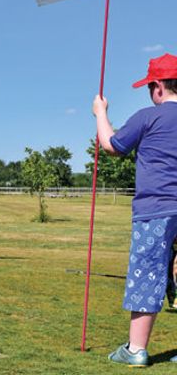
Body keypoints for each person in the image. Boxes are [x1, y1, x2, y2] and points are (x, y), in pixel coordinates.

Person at [93, 53, 177, 367]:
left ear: (157, 86)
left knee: (148, 271)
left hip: (155, 208)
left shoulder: (147, 117)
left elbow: (112, 146)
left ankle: (136, 349)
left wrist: (100, 112)